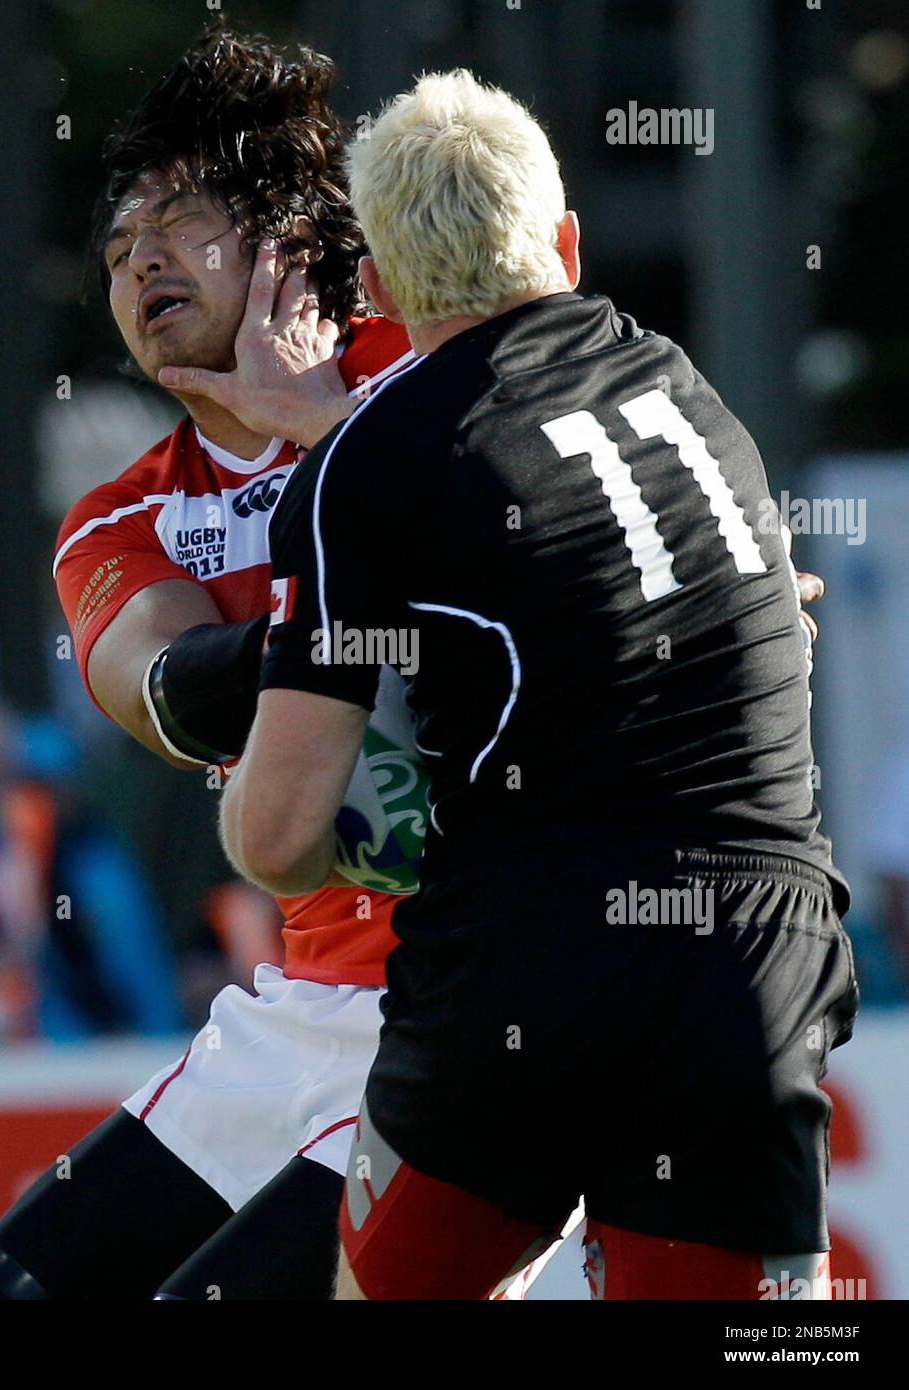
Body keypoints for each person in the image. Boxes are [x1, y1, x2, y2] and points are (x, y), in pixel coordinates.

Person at [222, 70, 858, 1300]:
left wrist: (333, 783)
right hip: (755, 954)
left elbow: (280, 837)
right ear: (563, 243)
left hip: (538, 947)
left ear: (390, 290)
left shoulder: (362, 467)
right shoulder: (689, 394)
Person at [0, 25, 420, 1301]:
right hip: (301, 1009)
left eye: (180, 219)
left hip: (481, 1007)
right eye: (116, 246)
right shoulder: (120, 514)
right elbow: (157, 686)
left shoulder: (431, 380)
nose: (138, 257)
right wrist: (361, 632)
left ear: (285, 245)